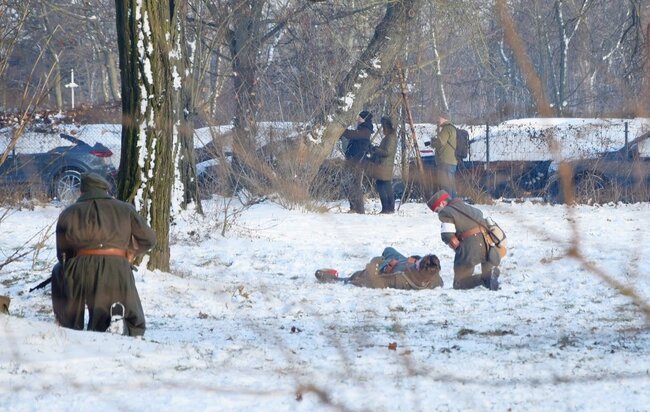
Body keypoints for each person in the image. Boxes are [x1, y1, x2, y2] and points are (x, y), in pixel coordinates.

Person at [51, 172, 157, 336]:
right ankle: (119, 324)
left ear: (82, 191)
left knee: (59, 270)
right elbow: (149, 239)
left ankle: (69, 323)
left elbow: (62, 254)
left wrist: (76, 262)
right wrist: (130, 253)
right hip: (117, 266)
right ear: (106, 190)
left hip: (80, 268)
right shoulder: (125, 209)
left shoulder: (69, 212)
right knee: (127, 312)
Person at [426, 190, 500, 291]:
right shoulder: (472, 209)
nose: (438, 213)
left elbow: (447, 235)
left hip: (470, 247)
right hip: (487, 245)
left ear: (442, 203)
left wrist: (458, 249)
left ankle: (485, 279)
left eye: (437, 210)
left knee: (459, 283)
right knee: (485, 269)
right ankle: (490, 275)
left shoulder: (446, 212)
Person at [315, 247, 443, 290]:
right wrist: (415, 259)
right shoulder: (435, 278)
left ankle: (333, 278)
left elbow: (373, 282)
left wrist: (376, 262)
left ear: (418, 267)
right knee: (388, 249)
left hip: (386, 267)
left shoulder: (399, 279)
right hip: (401, 261)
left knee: (358, 274)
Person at [340, 110, 373, 214]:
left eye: (360, 117)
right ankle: (353, 207)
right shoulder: (361, 129)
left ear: (365, 119)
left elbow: (350, 134)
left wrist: (340, 129)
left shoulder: (365, 130)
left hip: (358, 161)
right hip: (353, 160)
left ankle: (359, 209)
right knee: (349, 184)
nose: (357, 119)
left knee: (355, 185)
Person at [367, 116, 397, 214]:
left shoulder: (390, 138)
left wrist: (376, 150)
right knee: (383, 185)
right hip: (383, 165)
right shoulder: (389, 137)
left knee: (383, 186)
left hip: (385, 166)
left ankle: (387, 208)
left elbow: (387, 152)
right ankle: (387, 208)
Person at [431, 113, 458, 197]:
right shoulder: (453, 128)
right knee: (451, 186)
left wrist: (432, 143)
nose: (438, 120)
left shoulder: (446, 129)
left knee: (446, 186)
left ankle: (449, 203)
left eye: (439, 118)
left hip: (445, 161)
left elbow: (440, 142)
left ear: (444, 118)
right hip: (452, 161)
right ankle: (454, 203)